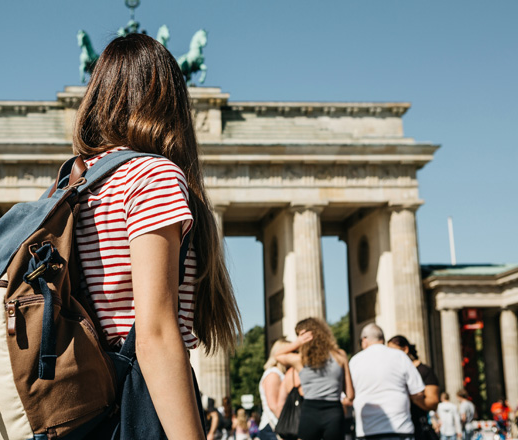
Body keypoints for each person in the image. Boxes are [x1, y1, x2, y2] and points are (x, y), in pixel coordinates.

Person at [72, 32, 242, 439]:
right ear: (170, 101)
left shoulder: (75, 185)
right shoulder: (153, 175)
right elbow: (155, 334)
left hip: (81, 406)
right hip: (137, 401)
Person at [275, 317, 354, 440]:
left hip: (309, 413)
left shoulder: (300, 360)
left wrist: (297, 343)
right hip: (334, 412)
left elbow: (277, 355)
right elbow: (350, 395)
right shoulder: (340, 355)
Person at [349, 323, 426, 440]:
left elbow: (348, 396)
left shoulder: (355, 361)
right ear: (382, 339)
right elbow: (418, 392)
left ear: (364, 340)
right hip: (400, 428)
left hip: (367, 431)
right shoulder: (400, 356)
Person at [388, 335, 441, 440]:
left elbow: (433, 402)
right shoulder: (393, 372)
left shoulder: (424, 371)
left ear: (405, 349)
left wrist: (412, 396)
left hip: (418, 429)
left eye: (394, 351)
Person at [259, 339, 289, 440]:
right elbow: (273, 406)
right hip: (273, 428)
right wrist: (287, 427)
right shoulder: (273, 374)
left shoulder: (277, 373)